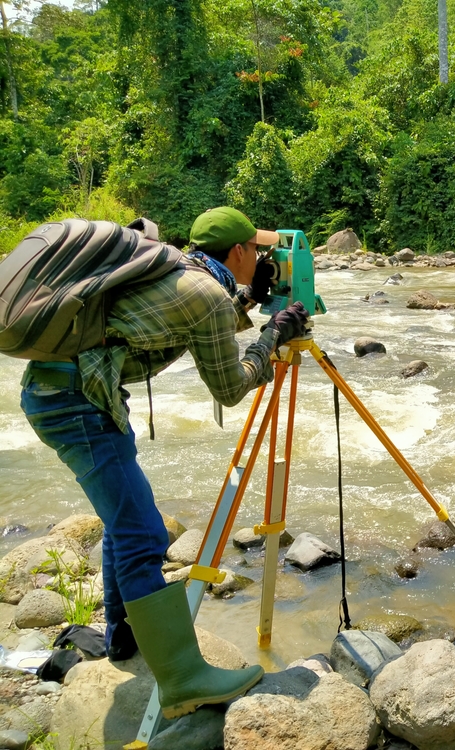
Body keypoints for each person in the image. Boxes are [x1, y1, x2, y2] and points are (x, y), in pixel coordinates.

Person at [19, 207, 309, 719]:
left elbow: (179, 316)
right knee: (143, 534)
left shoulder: (177, 267)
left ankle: (123, 636)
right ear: (239, 252)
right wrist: (274, 336)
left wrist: (248, 300)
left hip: (78, 391)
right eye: (260, 253)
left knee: (122, 521)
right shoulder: (207, 295)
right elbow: (230, 387)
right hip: (77, 403)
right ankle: (181, 679)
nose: (267, 261)